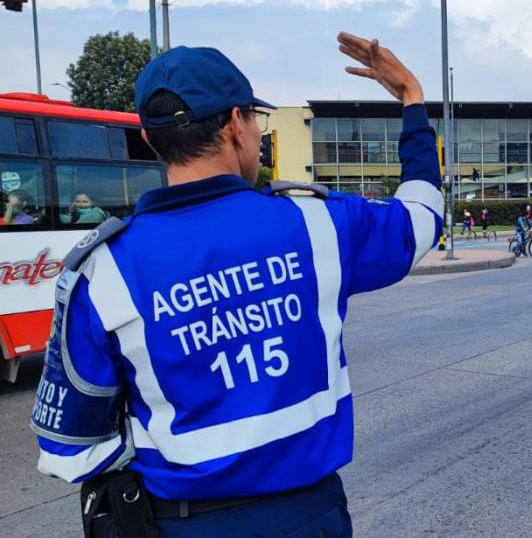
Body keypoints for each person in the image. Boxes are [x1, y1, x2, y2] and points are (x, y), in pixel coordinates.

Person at [30, 35, 443, 537]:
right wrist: (413, 100)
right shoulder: (317, 226)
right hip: (309, 519)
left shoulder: (102, 269)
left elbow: (70, 448)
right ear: (234, 125)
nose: (259, 136)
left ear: (152, 140)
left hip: (183, 525)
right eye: (255, 120)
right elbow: (421, 218)